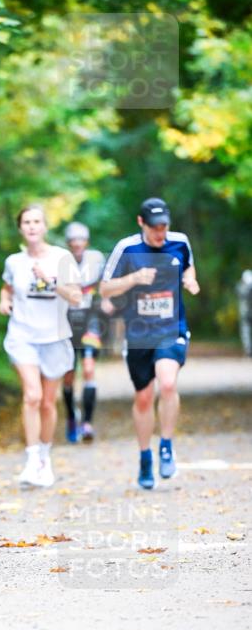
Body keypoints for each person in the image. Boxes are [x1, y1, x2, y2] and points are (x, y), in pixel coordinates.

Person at [99, 197, 200, 489]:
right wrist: (134, 278)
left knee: (167, 384)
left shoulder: (179, 242)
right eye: (155, 227)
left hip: (172, 327)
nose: (161, 233)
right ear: (141, 223)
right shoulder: (127, 248)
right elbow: (105, 287)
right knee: (144, 397)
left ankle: (166, 445)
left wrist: (190, 280)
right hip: (139, 332)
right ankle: (145, 456)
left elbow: (188, 266)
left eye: (164, 226)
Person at [0, 203, 82, 487]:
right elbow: (8, 285)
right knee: (32, 396)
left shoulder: (62, 258)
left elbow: (75, 297)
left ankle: (45, 458)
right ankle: (32, 459)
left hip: (55, 338)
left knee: (48, 402)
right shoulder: (14, 262)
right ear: (20, 228)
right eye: (27, 222)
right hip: (23, 336)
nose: (32, 226)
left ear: (45, 227)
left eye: (37, 222)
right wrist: (4, 299)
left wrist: (50, 281)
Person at [61, 222, 115, 442]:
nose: (77, 244)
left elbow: (106, 283)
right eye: (73, 240)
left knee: (90, 369)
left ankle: (88, 423)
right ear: (68, 243)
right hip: (67, 322)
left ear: (87, 242)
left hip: (91, 320)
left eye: (80, 240)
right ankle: (72, 416)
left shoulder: (97, 259)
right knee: (69, 376)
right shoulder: (60, 260)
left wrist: (108, 300)